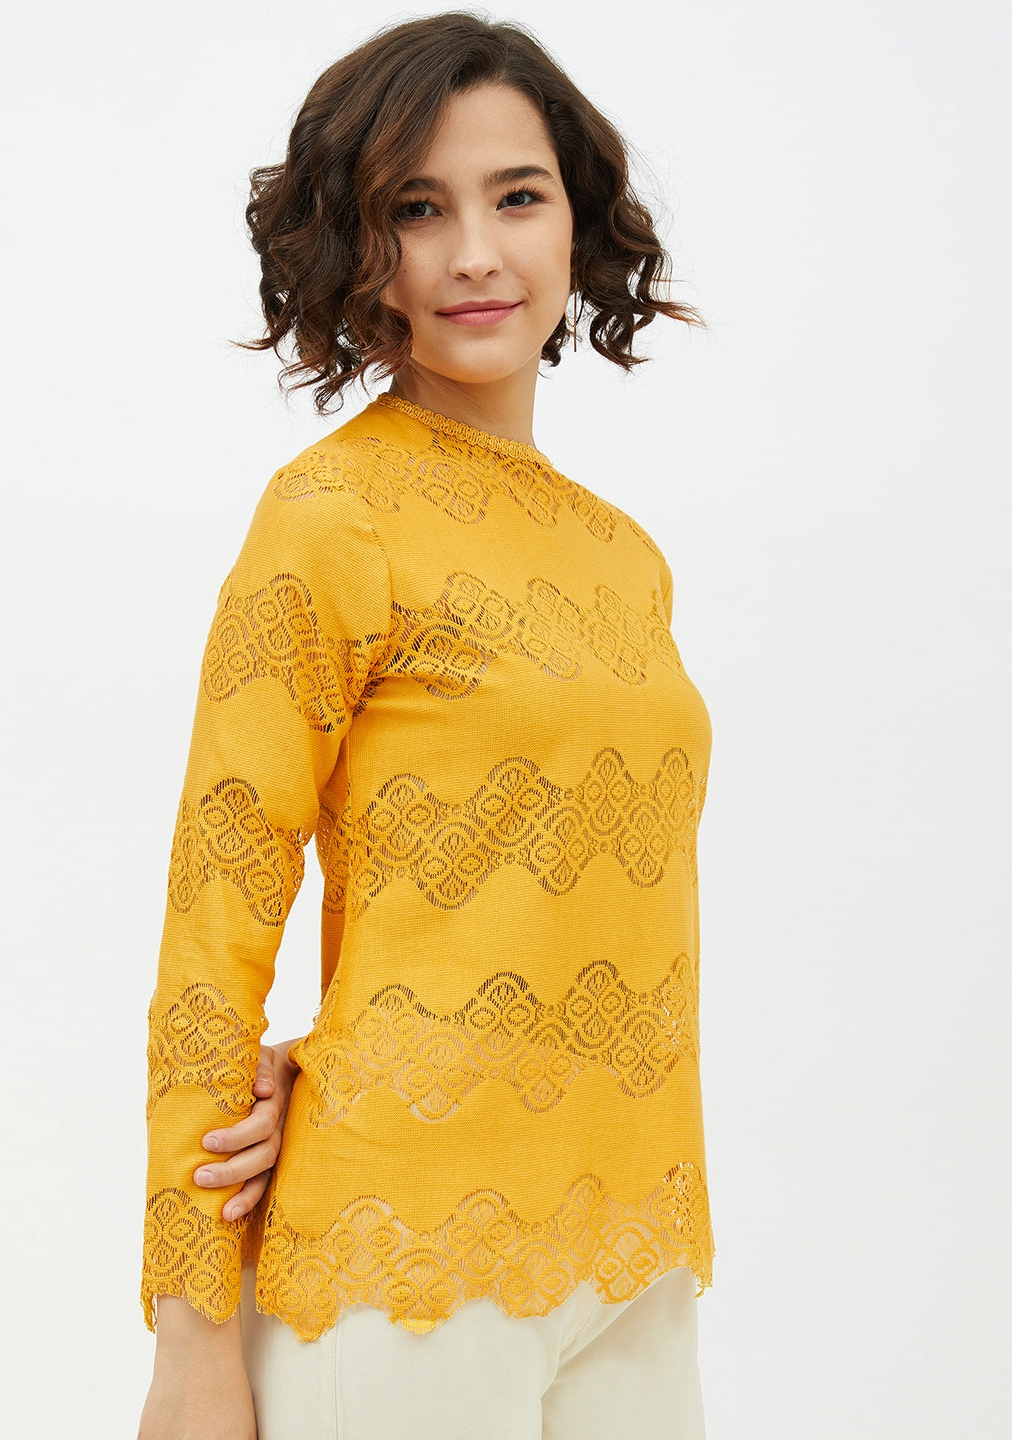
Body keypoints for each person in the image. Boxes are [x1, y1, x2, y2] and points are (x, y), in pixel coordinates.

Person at [137, 12, 713, 1439]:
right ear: (360, 246)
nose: (473, 253)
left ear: (577, 221)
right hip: (401, 1269)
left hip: (631, 1253)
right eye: (416, 208)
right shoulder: (331, 516)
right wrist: (192, 1342)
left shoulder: (624, 555)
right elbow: (217, 913)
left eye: (517, 196)